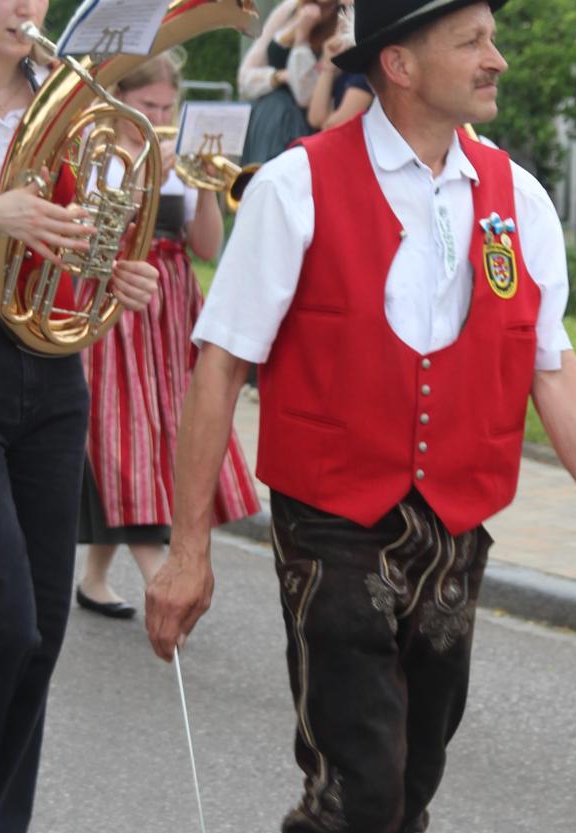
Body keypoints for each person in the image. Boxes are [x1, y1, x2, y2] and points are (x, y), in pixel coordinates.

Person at [145, 2, 576, 832]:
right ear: (401, 66)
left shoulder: (517, 198)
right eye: (473, 43)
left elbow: (551, 366)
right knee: (360, 791)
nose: (497, 60)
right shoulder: (295, 184)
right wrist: (187, 551)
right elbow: (220, 367)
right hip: (332, 524)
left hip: (454, 526)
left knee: (413, 780)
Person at [0, 1, 158, 831]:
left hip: (51, 375)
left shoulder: (68, 95)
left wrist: (118, 275)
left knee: (41, 634)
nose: (27, 7)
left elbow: (83, 239)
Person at [74, 53, 261, 619]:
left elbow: (206, 247)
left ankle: (93, 578)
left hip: (171, 304)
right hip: (116, 299)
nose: (158, 115)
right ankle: (156, 570)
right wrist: (144, 173)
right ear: (118, 99)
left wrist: (204, 183)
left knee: (164, 437)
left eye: (165, 107)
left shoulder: (177, 157)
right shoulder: (96, 153)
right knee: (125, 437)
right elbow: (91, 239)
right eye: (146, 105)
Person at [238, 0, 313, 166]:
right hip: (267, 115)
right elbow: (244, 78)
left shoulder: (341, 14)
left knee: (277, 108)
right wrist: (278, 77)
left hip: (297, 127)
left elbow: (305, 95)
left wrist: (302, 36)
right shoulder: (289, 9)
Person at [306, 0, 373, 131]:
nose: (344, 17)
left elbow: (333, 126)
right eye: (342, 9)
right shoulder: (345, 62)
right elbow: (315, 118)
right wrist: (328, 65)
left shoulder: (368, 65)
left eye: (353, 8)